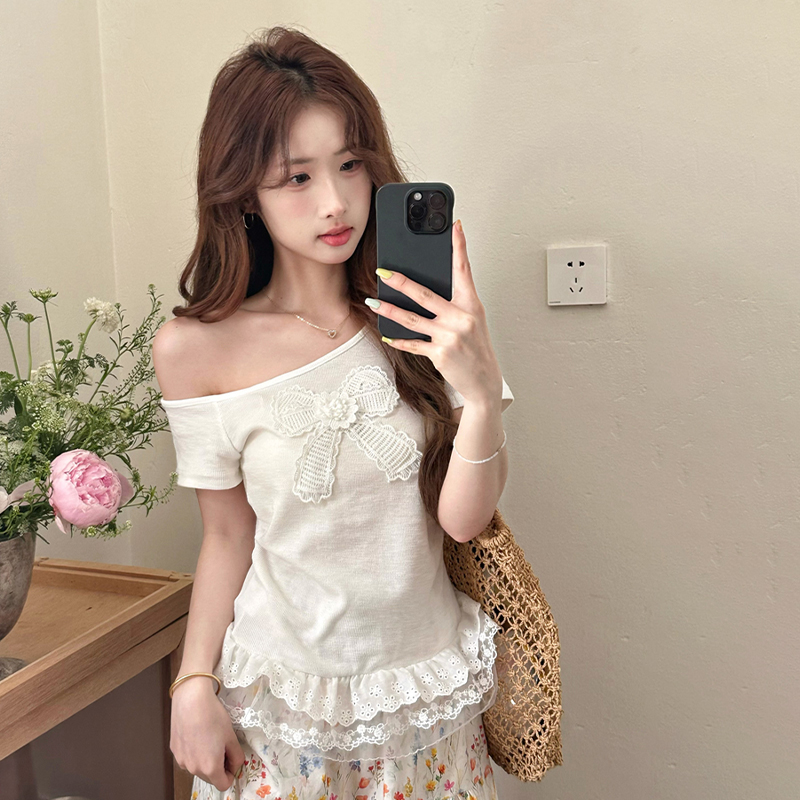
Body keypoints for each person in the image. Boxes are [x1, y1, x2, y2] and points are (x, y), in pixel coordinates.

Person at [153, 25, 514, 800]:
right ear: (243, 191)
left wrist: (482, 393)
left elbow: (463, 522)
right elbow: (227, 535)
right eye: (297, 177)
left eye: (351, 164)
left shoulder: (423, 318)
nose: (335, 201)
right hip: (280, 707)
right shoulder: (194, 350)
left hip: (420, 697)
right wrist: (192, 682)